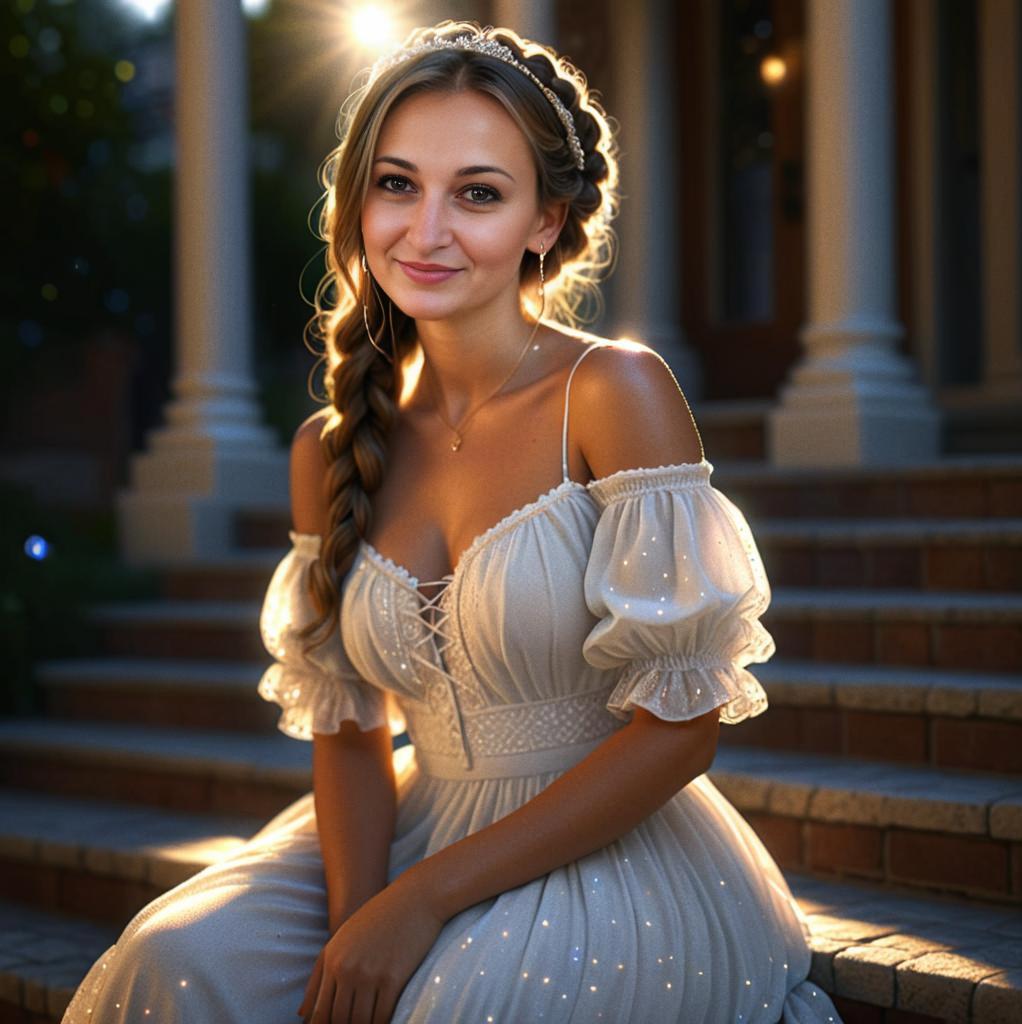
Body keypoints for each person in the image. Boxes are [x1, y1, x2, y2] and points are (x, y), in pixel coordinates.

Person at [62, 19, 844, 1024]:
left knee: (459, 1004)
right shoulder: (330, 449)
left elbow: (680, 731)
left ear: (545, 221)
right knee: (177, 958)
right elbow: (349, 734)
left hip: (605, 837)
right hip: (411, 821)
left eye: (477, 193)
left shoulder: (613, 391)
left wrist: (421, 901)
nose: (425, 231)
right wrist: (360, 920)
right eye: (396, 184)